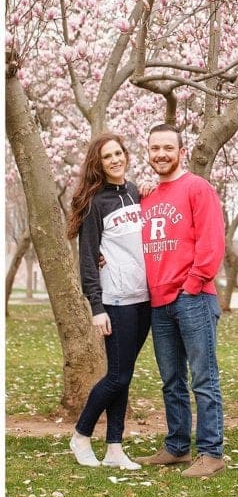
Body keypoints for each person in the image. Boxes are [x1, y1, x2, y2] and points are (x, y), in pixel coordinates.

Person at [134, 123, 227, 478]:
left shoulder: (197, 188)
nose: (161, 154)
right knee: (171, 379)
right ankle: (176, 447)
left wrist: (192, 284)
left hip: (193, 298)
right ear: (149, 152)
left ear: (181, 151)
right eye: (154, 148)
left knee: (203, 378)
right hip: (158, 303)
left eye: (167, 148)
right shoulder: (148, 197)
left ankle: (211, 452)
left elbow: (210, 241)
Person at [67, 133, 151, 470]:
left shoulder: (135, 193)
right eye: (107, 156)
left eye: (119, 153)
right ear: (98, 164)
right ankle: (81, 435)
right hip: (115, 301)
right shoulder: (94, 203)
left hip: (144, 298)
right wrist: (97, 307)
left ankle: (115, 447)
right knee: (117, 375)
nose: (115, 159)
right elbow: (88, 259)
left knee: (125, 374)